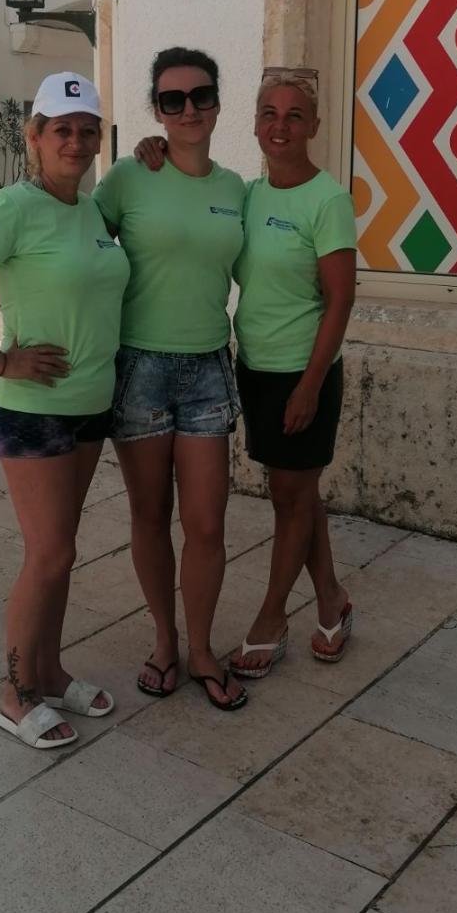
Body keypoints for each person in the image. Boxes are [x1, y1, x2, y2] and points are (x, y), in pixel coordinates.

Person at [0, 72, 129, 749]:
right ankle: (15, 695)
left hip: (90, 406)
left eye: (87, 130)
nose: (76, 142)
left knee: (62, 553)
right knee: (49, 553)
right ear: (33, 136)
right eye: (61, 129)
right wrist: (0, 360)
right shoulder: (10, 206)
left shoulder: (92, 211)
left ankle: (51, 672)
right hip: (33, 411)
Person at [134, 68, 356, 676]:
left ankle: (271, 618)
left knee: (292, 497)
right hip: (253, 368)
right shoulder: (248, 194)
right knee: (297, 493)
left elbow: (341, 299)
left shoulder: (327, 199)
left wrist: (310, 385)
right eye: (268, 114)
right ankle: (332, 598)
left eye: (294, 116)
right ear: (254, 123)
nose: (280, 127)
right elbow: (192, 197)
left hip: (303, 372)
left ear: (314, 126)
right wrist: (153, 150)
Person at [93, 47, 247, 710]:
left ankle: (203, 648)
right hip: (141, 369)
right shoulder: (128, 178)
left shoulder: (236, 190)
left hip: (209, 367)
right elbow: (77, 244)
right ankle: (165, 640)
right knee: (151, 516)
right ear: (155, 110)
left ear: (217, 103)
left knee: (207, 524)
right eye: (172, 100)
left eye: (200, 96)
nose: (188, 110)